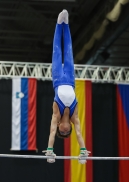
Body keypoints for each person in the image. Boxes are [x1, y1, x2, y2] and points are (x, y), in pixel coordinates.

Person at [43, 10, 90, 164]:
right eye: (66, 131)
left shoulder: (56, 115)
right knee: (69, 51)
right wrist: (83, 151)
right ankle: (66, 24)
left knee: (57, 51)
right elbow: (78, 133)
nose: (65, 129)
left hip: (57, 79)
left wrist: (50, 150)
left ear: (58, 126)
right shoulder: (74, 116)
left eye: (61, 131)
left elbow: (51, 132)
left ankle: (59, 24)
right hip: (70, 80)